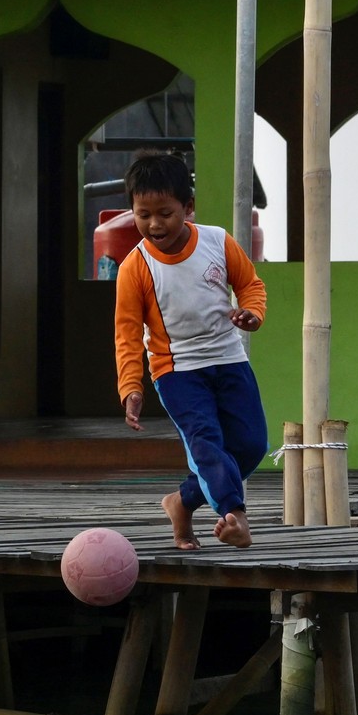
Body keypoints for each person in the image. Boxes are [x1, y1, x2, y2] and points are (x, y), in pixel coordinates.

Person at [115, 152, 268, 549]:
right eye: (142, 214)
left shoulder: (217, 241)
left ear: (189, 207)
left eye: (164, 213)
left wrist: (252, 313)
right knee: (207, 442)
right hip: (176, 370)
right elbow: (128, 333)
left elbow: (250, 285)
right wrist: (131, 385)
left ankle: (181, 502)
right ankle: (237, 519)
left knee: (251, 445)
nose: (153, 224)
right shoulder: (135, 267)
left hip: (230, 358)